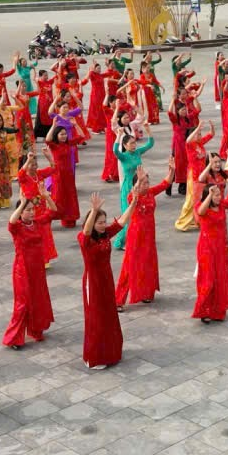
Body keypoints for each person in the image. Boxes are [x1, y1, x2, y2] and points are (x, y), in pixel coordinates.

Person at [79, 192, 137, 368]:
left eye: (104, 222)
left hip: (106, 280)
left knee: (108, 316)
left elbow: (122, 222)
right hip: (93, 282)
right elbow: (86, 231)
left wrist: (133, 202)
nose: (103, 225)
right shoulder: (85, 240)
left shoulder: (105, 234)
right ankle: (95, 357)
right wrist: (94, 210)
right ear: (92, 223)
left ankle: (110, 352)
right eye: (100, 223)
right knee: (96, 317)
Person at [116, 162, 173, 308]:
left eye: (147, 182)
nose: (146, 185)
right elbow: (132, 196)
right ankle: (119, 299)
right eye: (143, 183)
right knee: (129, 265)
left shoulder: (150, 192)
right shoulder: (132, 197)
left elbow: (166, 183)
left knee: (148, 263)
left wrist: (172, 170)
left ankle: (147, 293)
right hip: (136, 235)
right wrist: (138, 182)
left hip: (149, 235)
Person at [4, 196, 56, 349]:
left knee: (38, 299)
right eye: (28, 210)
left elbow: (53, 211)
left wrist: (46, 196)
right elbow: (11, 222)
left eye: (33, 209)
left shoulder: (37, 223)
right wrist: (21, 205)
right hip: (23, 270)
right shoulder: (17, 227)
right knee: (23, 303)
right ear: (21, 212)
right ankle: (14, 338)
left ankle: (36, 330)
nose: (32, 212)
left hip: (38, 269)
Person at [193, 184, 228, 320]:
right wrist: (210, 195)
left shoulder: (221, 205)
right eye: (216, 195)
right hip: (206, 247)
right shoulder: (200, 205)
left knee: (220, 278)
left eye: (219, 194)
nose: (219, 197)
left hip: (220, 248)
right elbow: (200, 212)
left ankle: (218, 311)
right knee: (208, 279)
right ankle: (204, 310)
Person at [112, 130, 155, 249]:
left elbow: (150, 144)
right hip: (128, 188)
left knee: (138, 215)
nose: (134, 145)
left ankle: (134, 238)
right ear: (125, 145)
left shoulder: (137, 152)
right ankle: (121, 242)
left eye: (134, 142)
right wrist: (118, 135)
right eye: (131, 143)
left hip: (139, 185)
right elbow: (115, 150)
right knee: (128, 215)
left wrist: (148, 130)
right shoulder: (123, 156)